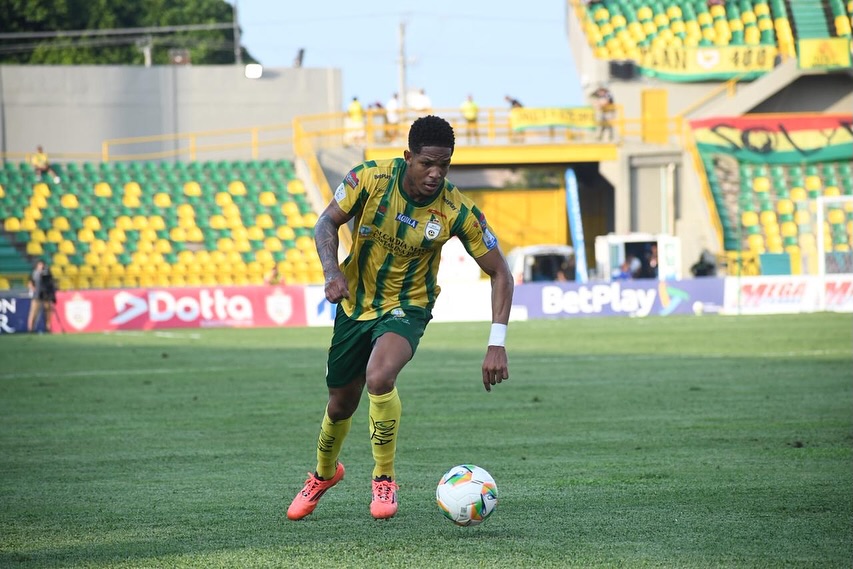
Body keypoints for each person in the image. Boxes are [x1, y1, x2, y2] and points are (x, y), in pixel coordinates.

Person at [286, 115, 514, 521]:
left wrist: (496, 342)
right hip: (355, 305)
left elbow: (501, 271)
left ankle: (384, 477)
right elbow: (326, 222)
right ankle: (324, 474)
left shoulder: (455, 210)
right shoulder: (369, 180)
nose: (435, 173)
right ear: (408, 156)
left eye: (444, 165)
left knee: (379, 376)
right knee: (340, 403)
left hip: (408, 306)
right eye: (427, 163)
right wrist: (331, 272)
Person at [27, 259, 57, 333]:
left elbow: (51, 283)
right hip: (37, 295)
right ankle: (31, 328)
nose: (41, 266)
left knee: (48, 311)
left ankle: (48, 327)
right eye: (40, 265)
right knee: (34, 312)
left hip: (46, 295)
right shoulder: (34, 273)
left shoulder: (47, 273)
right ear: (37, 265)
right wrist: (33, 288)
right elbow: (30, 282)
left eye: (42, 265)